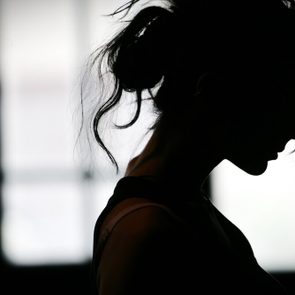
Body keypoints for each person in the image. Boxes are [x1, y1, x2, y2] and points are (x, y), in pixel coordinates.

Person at [87, 0, 295, 294]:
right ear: (213, 94)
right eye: (281, 107)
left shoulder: (180, 208)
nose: (292, 130)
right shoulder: (146, 232)